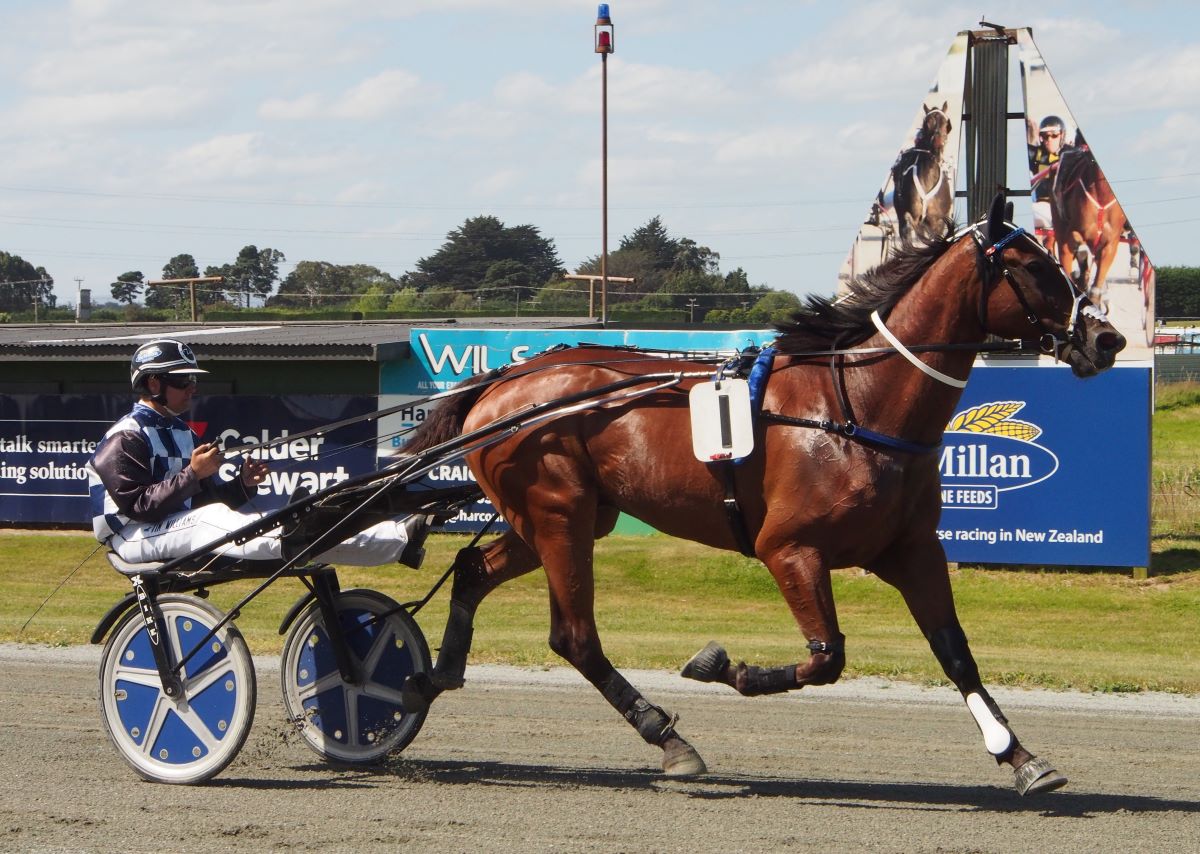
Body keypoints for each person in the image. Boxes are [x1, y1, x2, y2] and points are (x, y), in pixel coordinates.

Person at [86, 338, 430, 567]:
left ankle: (398, 541)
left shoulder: (182, 432)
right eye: (183, 380)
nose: (192, 388)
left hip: (172, 527)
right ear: (152, 384)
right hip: (133, 537)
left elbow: (204, 501)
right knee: (218, 521)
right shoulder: (124, 437)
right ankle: (289, 541)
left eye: (194, 380)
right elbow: (140, 507)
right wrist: (193, 474)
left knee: (287, 524)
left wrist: (242, 485)